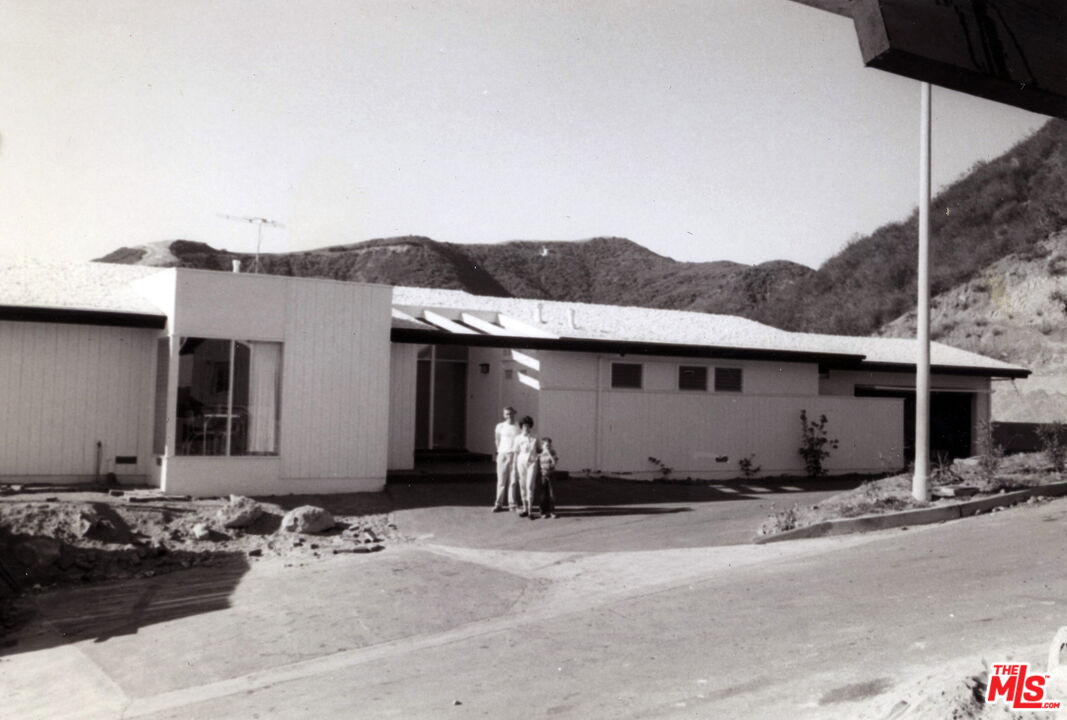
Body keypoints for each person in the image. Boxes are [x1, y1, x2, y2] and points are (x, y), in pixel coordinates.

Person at [492, 407, 519, 512]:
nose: (509, 416)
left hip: (514, 455)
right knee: (501, 481)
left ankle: (512, 504)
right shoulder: (500, 426)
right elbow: (497, 440)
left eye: (511, 414)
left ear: (514, 414)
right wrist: (500, 452)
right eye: (507, 414)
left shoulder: (518, 426)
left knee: (513, 481)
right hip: (503, 455)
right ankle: (498, 504)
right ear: (504, 415)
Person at [513, 416, 540, 519]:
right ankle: (524, 508)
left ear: (530, 426)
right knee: (522, 486)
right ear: (521, 426)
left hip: (532, 462)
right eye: (524, 425)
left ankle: (530, 510)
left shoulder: (535, 437)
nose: (526, 427)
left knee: (529, 485)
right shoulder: (518, 438)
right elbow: (516, 453)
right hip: (521, 463)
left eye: (528, 425)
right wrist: (514, 467)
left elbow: (539, 449)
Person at [538, 437, 559, 518]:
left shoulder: (553, 452)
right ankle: (543, 511)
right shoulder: (540, 454)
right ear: (542, 445)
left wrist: (549, 453)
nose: (548, 447)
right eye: (546, 445)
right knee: (543, 494)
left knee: (552, 493)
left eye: (549, 445)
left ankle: (552, 511)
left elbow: (554, 463)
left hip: (551, 474)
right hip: (543, 475)